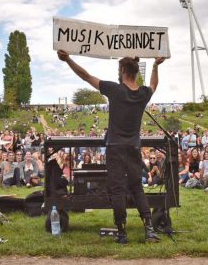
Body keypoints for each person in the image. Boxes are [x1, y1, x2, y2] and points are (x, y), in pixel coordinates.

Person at [57, 49, 165, 244]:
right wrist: (156, 66)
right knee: (137, 188)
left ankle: (122, 234)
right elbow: (153, 85)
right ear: (135, 72)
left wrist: (68, 60)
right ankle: (149, 230)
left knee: (117, 189)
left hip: (115, 147)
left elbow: (85, 76)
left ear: (123, 70)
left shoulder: (114, 90)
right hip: (133, 146)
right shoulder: (143, 94)